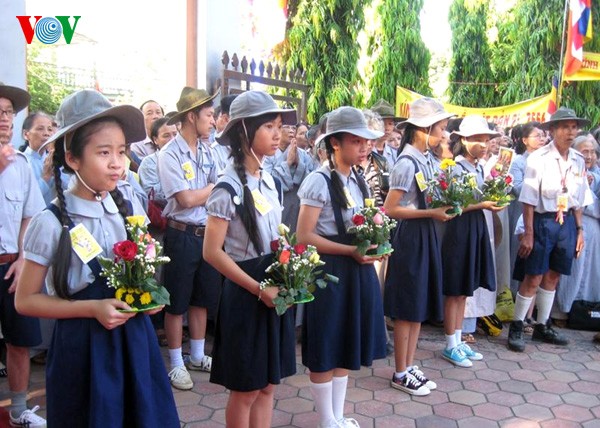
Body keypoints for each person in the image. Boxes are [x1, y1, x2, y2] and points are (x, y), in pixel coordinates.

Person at [14, 89, 179, 427]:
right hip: (82, 350)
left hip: (134, 342)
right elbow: (26, 300)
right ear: (72, 158)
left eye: (121, 151)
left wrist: (149, 298)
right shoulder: (51, 222)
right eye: (104, 152)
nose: (117, 162)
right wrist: (90, 308)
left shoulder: (127, 208)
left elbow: (142, 270)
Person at [202, 90, 296, 428]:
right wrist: (258, 289)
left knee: (269, 384)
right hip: (247, 293)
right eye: (269, 126)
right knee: (246, 389)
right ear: (244, 131)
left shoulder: (268, 178)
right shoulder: (226, 189)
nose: (278, 134)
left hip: (273, 285)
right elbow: (212, 253)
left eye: (279, 126)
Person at [297, 106, 387, 428]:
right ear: (335, 143)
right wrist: (351, 250)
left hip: (355, 268)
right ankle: (326, 420)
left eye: (367, 141)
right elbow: (304, 236)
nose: (365, 147)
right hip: (330, 272)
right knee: (326, 343)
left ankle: (336, 416)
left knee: (347, 340)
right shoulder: (318, 181)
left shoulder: (358, 179)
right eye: (356, 141)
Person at [384, 98, 455, 395]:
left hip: (425, 233)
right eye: (440, 128)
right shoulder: (406, 163)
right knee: (407, 307)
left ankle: (409, 364)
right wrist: (430, 213)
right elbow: (390, 209)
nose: (444, 134)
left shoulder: (426, 159)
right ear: (423, 129)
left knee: (417, 306)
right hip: (410, 236)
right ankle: (400, 372)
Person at [508, 107, 593, 352]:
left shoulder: (577, 159)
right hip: (543, 221)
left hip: (565, 221)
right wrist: (529, 232)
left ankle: (542, 325)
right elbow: (528, 198)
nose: (571, 132)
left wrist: (579, 230)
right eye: (565, 127)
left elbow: (578, 198)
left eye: (574, 127)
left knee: (554, 275)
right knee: (533, 275)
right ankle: (517, 324)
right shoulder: (539, 158)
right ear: (553, 130)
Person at [157, 86, 222, 389]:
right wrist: (212, 188)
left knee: (201, 298)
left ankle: (197, 355)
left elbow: (211, 191)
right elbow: (184, 199)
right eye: (208, 115)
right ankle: (176, 362)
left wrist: (209, 190)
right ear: (192, 117)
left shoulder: (209, 150)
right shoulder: (169, 154)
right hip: (181, 234)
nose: (213, 120)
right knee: (176, 301)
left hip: (206, 233)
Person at [0, 82, 46, 427]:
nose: (4, 120)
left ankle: (19, 409)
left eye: (8, 113)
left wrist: (21, 259)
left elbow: (30, 214)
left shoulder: (21, 165)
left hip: (10, 265)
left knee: (19, 341)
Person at [442, 115, 504, 367]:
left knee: (465, 288)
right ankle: (449, 344)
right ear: (463, 140)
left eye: (486, 139)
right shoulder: (453, 168)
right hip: (459, 230)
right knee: (455, 288)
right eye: (477, 139)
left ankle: (458, 340)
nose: (483, 144)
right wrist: (482, 204)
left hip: (475, 227)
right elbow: (452, 205)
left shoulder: (479, 168)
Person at [139, 117, 178, 201]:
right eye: (166, 136)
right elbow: (153, 195)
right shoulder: (149, 163)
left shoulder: (187, 158)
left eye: (175, 134)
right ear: (155, 140)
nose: (172, 139)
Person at [21, 112, 55, 204]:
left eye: (50, 129)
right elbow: (25, 201)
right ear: (26, 134)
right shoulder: (21, 162)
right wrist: (46, 177)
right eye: (40, 129)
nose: (47, 134)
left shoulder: (54, 159)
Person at [370, 99, 404, 167]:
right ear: (372, 124)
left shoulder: (395, 154)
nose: (387, 128)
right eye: (382, 123)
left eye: (390, 123)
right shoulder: (364, 152)